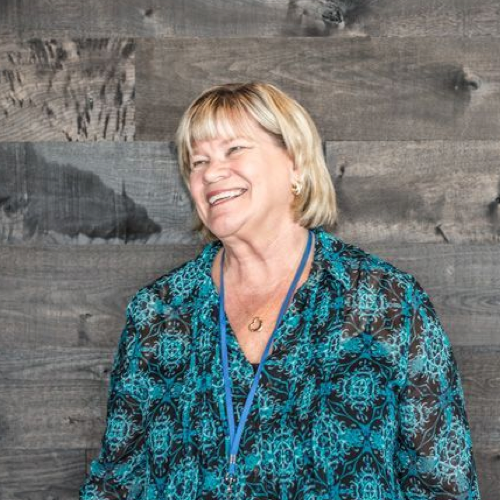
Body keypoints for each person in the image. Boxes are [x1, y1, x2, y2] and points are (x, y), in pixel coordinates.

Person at [79, 81, 481, 499]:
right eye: (198, 161)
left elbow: (444, 486)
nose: (211, 173)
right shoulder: (159, 311)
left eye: (235, 149)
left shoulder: (386, 301)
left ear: (297, 165)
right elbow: (116, 481)